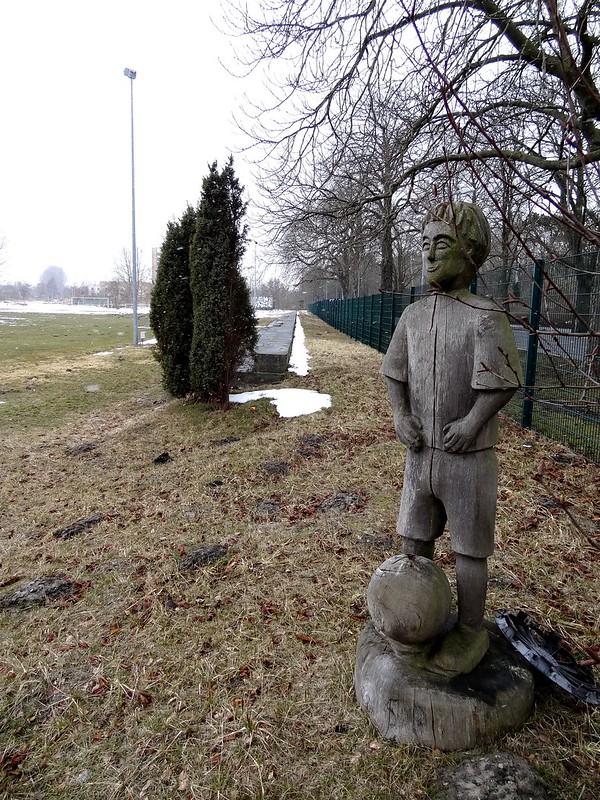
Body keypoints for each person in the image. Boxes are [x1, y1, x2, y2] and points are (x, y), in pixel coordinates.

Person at [381, 201, 522, 675]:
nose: (429, 254)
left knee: (469, 548)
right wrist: (401, 417)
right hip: (420, 457)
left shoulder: (485, 316)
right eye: (425, 244)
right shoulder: (413, 316)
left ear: (471, 253)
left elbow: (501, 382)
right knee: (413, 538)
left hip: (469, 459)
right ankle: (414, 616)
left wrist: (471, 423)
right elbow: (394, 374)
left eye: (442, 244)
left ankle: (469, 629)